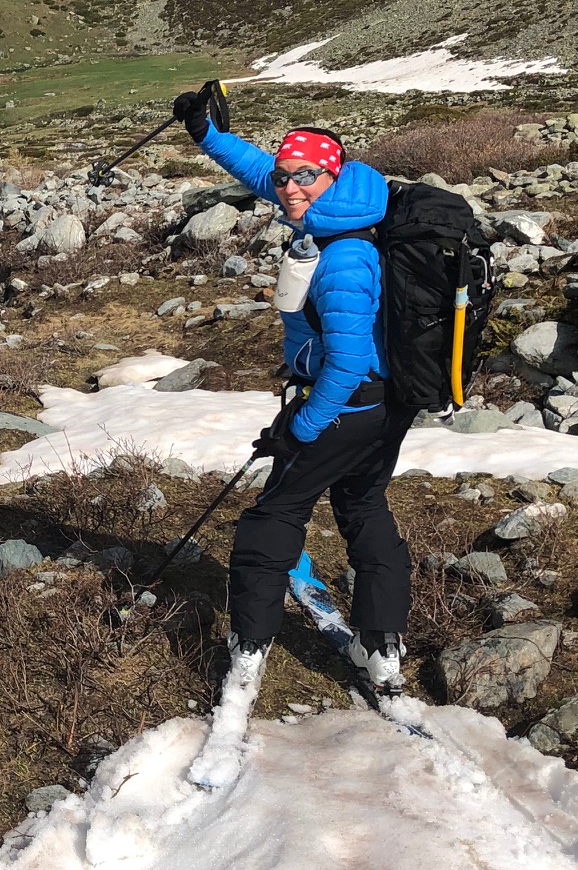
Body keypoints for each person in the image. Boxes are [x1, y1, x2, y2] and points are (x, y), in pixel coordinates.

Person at [173, 82, 421, 692]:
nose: (288, 187)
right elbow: (262, 171)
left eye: (304, 176)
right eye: (286, 176)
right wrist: (206, 133)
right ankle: (380, 647)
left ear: (331, 175)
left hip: (347, 405)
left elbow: (349, 361)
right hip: (385, 405)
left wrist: (301, 427)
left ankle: (250, 649)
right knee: (364, 506)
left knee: (274, 517)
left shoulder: (344, 257)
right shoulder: (339, 207)